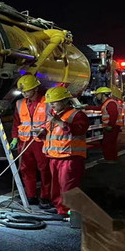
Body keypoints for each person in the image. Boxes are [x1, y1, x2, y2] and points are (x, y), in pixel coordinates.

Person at [39, 86, 90, 218]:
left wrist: (60, 122)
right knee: (56, 185)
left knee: (68, 186)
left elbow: (79, 130)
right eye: (50, 103)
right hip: (55, 156)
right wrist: (42, 133)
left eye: (54, 102)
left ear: (65, 101)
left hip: (70, 157)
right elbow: (53, 133)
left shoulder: (77, 115)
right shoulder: (55, 115)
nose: (52, 105)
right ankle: (59, 207)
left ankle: (67, 211)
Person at [10, 74, 52, 207]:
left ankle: (45, 196)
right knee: (26, 169)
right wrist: (15, 138)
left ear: (35, 88)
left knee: (45, 170)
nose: (24, 93)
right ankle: (31, 196)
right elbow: (16, 122)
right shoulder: (19, 103)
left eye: (27, 90)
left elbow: (53, 120)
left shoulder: (47, 102)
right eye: (22, 91)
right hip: (24, 141)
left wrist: (45, 130)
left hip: (41, 141)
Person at [92, 87, 124, 163]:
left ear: (103, 94)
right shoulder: (108, 102)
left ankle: (109, 159)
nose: (96, 96)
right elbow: (100, 108)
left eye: (97, 94)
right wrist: (85, 107)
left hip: (112, 127)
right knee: (111, 143)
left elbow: (113, 115)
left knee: (107, 143)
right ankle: (113, 158)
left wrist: (110, 125)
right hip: (114, 126)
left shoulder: (110, 103)